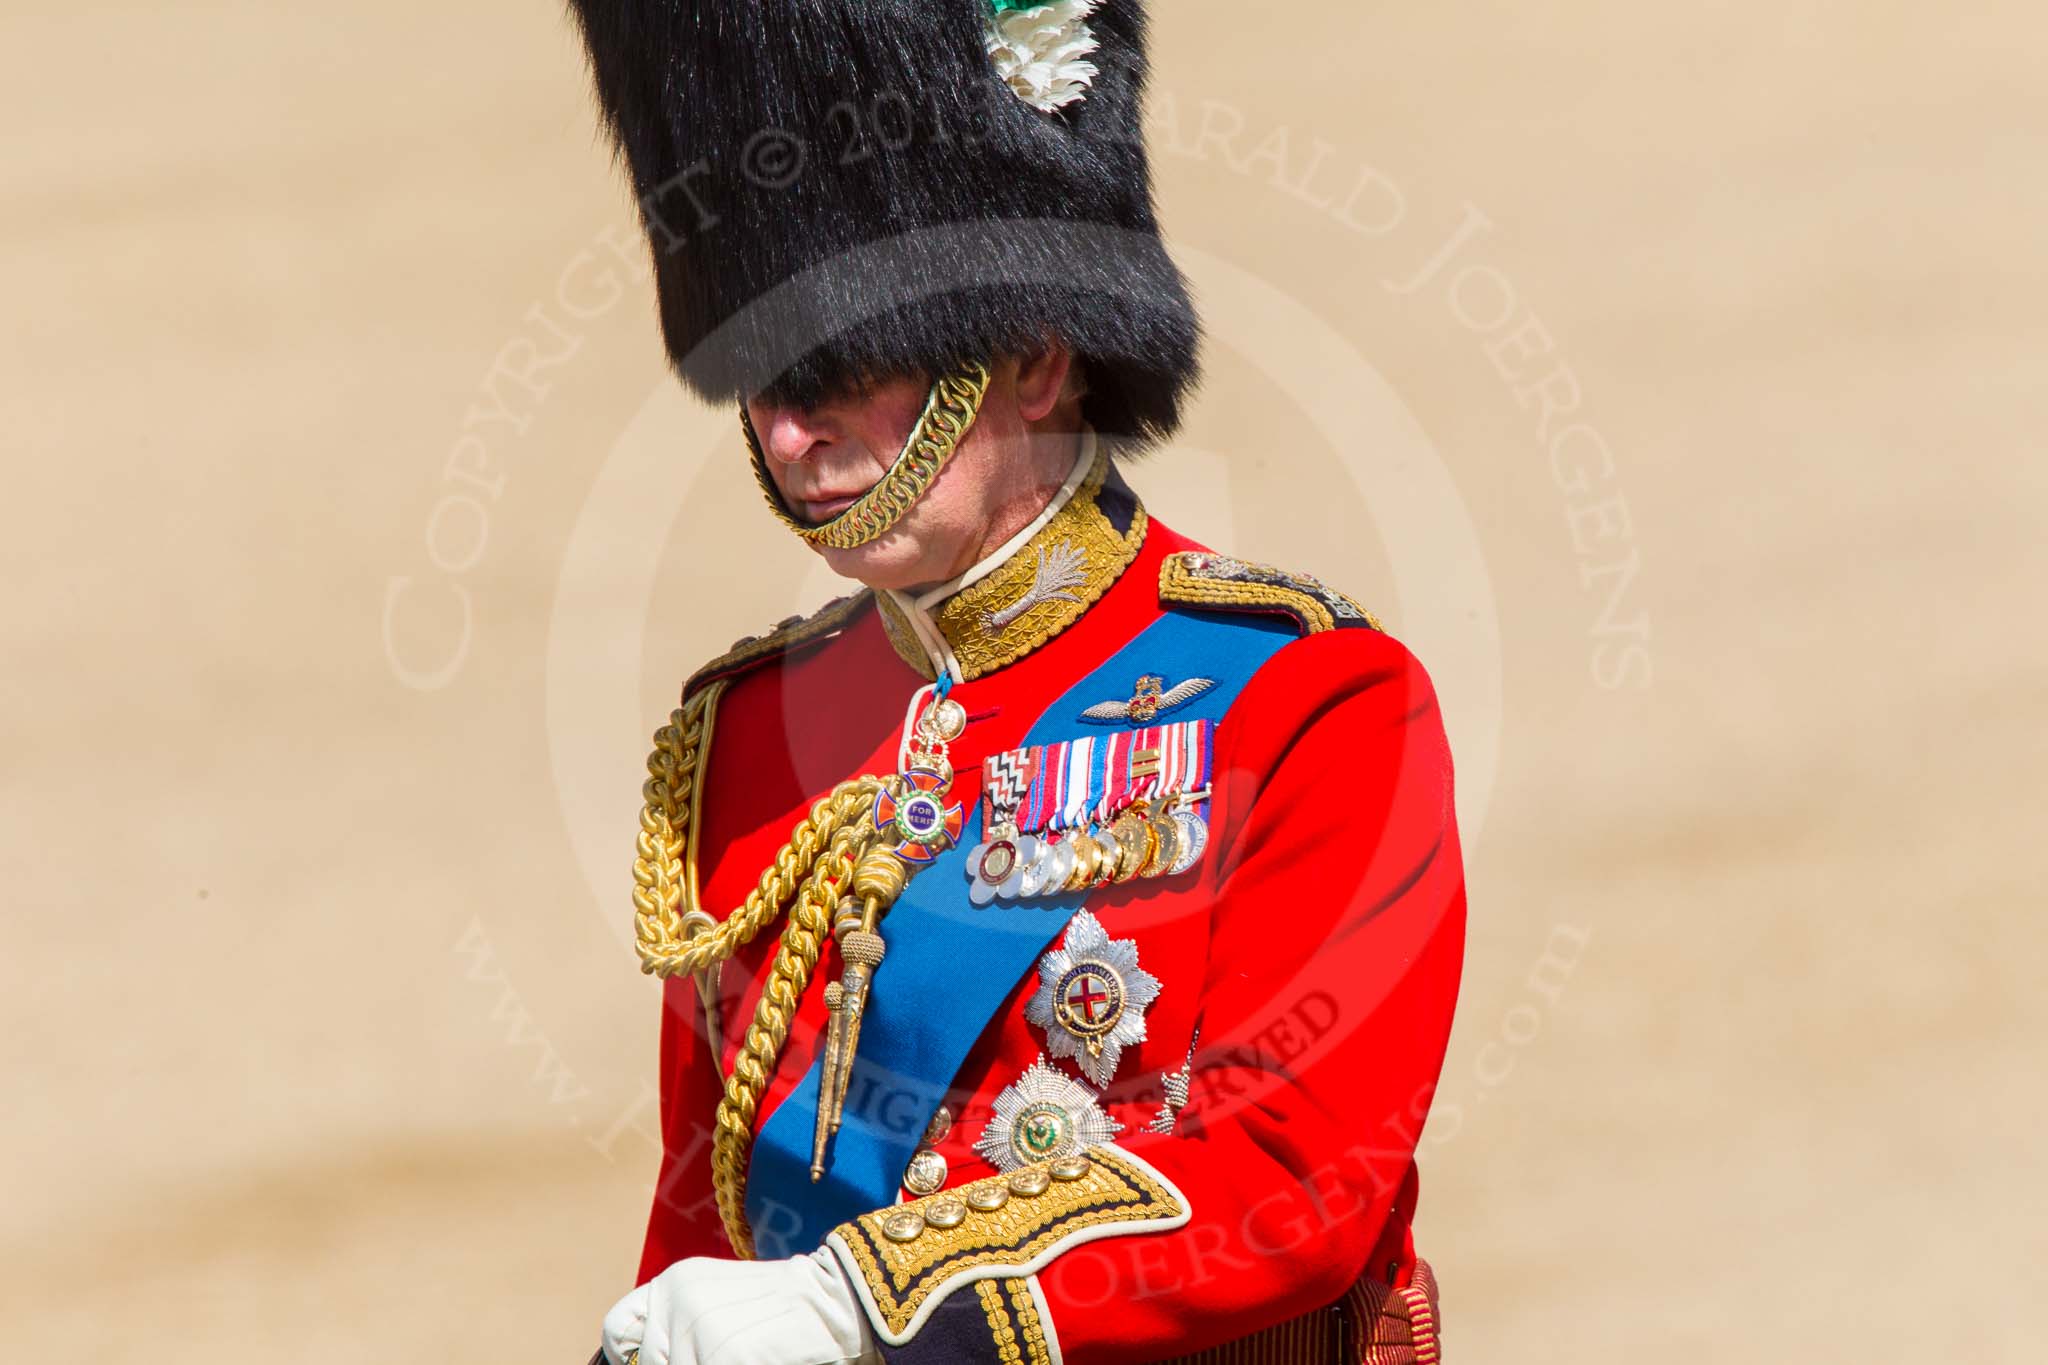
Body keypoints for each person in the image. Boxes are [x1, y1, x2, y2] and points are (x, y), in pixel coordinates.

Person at [563, 3, 1465, 1361]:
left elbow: (1293, 1179)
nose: (795, 429)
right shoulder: (743, 743)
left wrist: (859, 1301)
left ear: (1035, 359)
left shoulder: (1307, 704)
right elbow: (710, 1234)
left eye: (846, 366)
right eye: (764, 374)